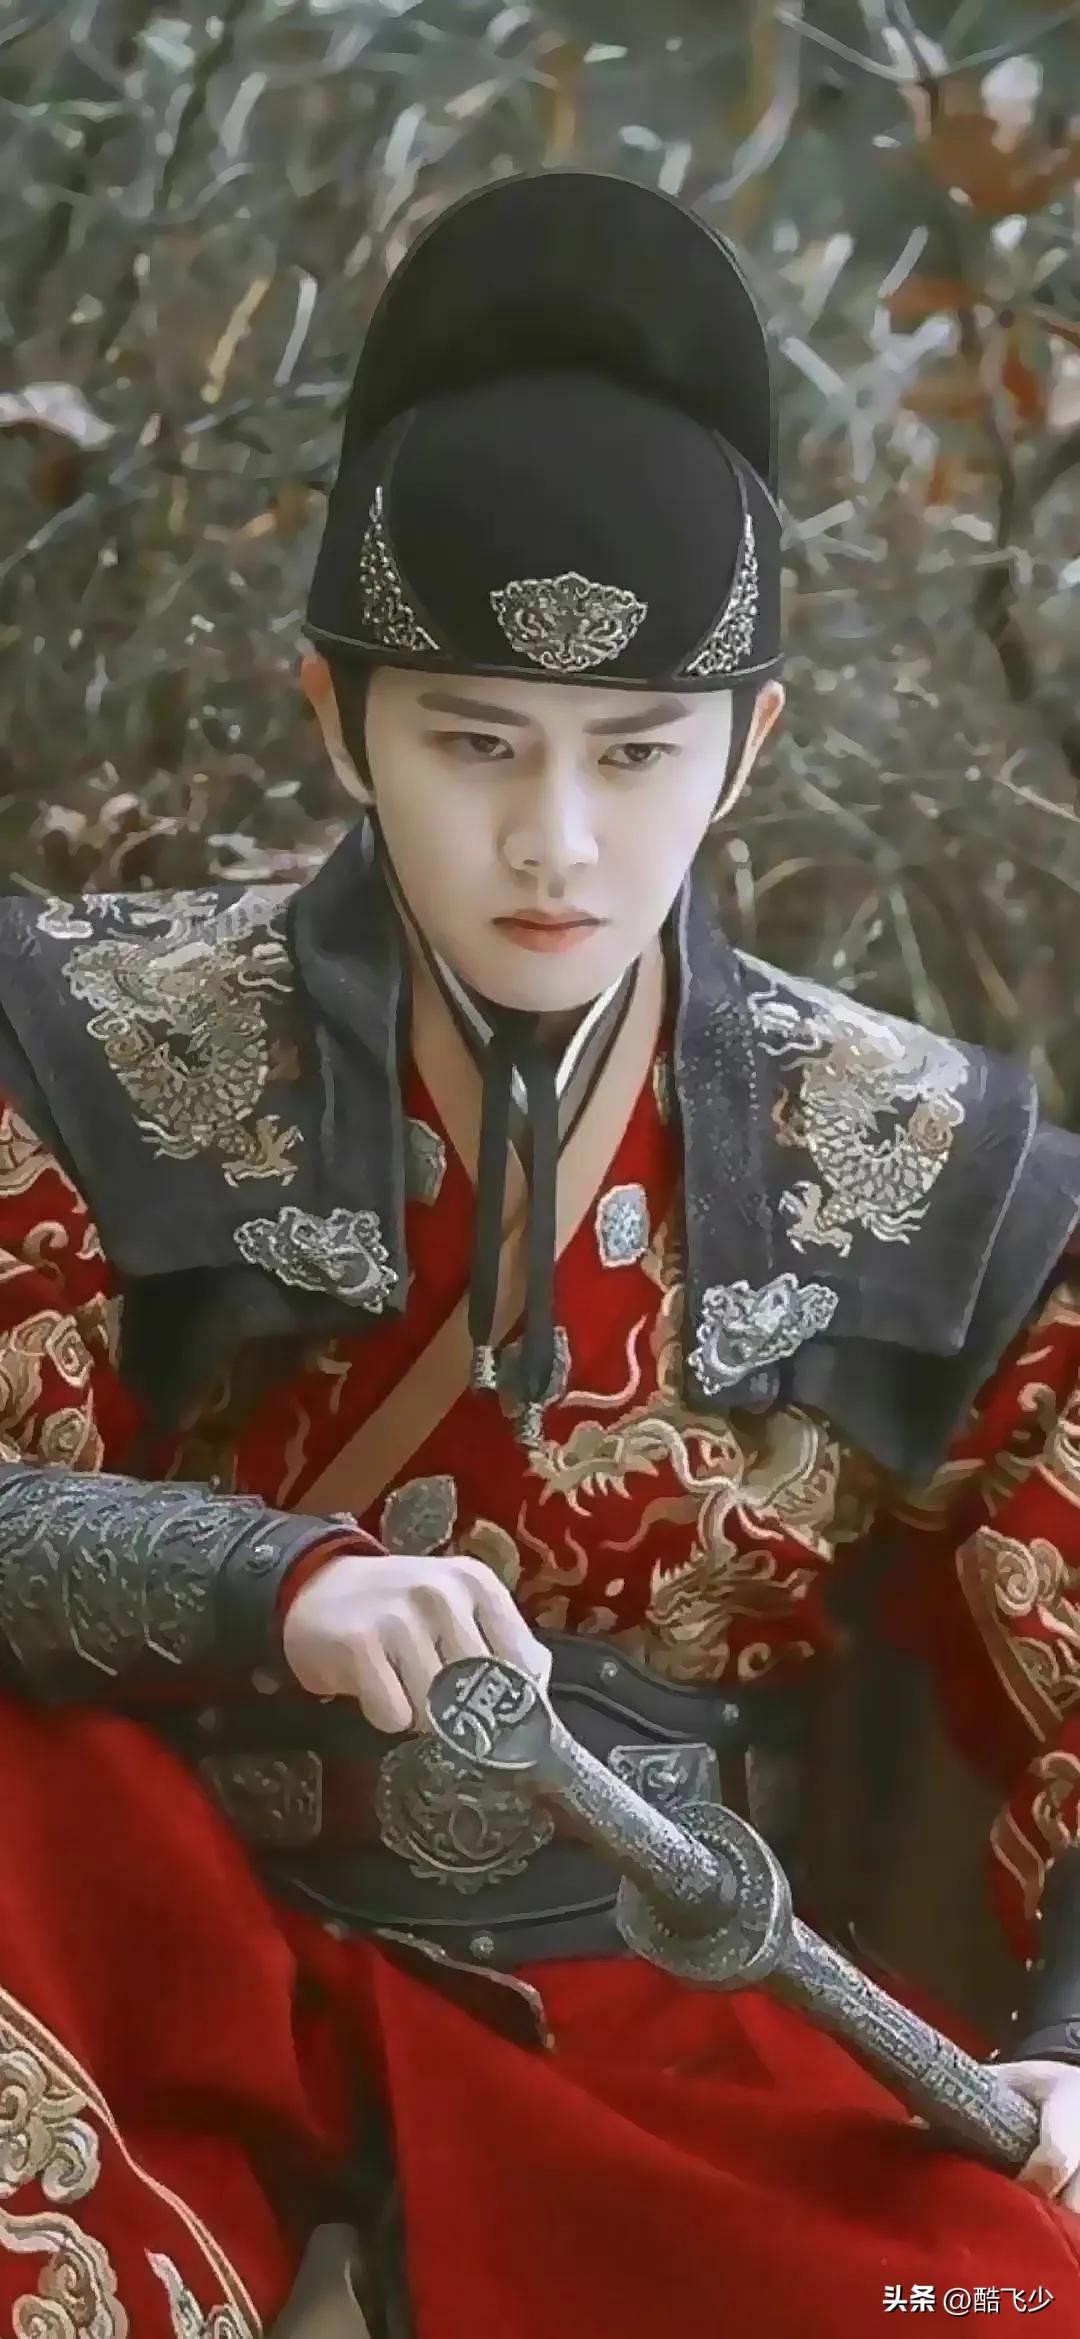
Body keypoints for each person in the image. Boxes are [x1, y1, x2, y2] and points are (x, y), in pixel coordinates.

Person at [0, 169, 1079, 2339]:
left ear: (749, 746)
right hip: (151, 1946)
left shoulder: (939, 1174)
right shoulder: (83, 1048)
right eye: (474, 742)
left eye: (637, 752)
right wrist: (268, 1580)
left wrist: (1073, 2039)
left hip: (657, 2016)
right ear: (339, 719)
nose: (557, 842)